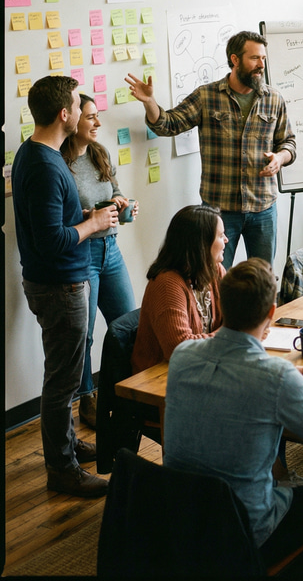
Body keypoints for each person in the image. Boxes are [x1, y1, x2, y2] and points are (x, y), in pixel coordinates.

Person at [164, 257, 303, 574]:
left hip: (179, 518)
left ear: (222, 304)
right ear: (272, 313)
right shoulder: (275, 376)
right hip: (241, 529)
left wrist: (284, 381)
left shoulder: (183, 355)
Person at [12, 75, 117, 497]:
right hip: (60, 286)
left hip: (56, 283)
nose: (83, 111)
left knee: (65, 376)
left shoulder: (36, 152)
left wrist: (89, 213)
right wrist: (93, 223)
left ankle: (67, 445)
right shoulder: (43, 165)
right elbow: (52, 240)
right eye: (78, 105)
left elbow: (51, 224)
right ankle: (62, 469)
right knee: (63, 382)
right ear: (64, 114)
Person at [125, 30, 296, 268]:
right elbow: (168, 124)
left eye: (263, 59)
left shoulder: (274, 99)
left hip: (263, 208)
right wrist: (150, 102)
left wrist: (280, 157)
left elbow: (288, 142)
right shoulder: (207, 96)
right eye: (255, 58)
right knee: (214, 278)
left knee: (263, 278)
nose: (261, 65)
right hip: (219, 211)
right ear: (235, 59)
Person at [60, 94, 138, 429]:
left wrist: (125, 206)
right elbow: (61, 219)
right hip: (82, 256)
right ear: (72, 120)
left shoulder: (99, 154)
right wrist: (91, 217)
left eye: (96, 115)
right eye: (89, 116)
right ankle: (87, 399)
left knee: (128, 323)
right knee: (86, 335)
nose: (97, 123)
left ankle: (125, 391)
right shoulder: (59, 165)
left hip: (111, 250)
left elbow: (116, 199)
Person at [131, 205, 226, 374]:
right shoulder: (167, 284)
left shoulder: (215, 270)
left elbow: (236, 317)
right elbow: (179, 348)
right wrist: (231, 336)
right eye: (220, 235)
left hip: (201, 365)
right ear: (201, 244)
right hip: (161, 377)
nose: (226, 239)